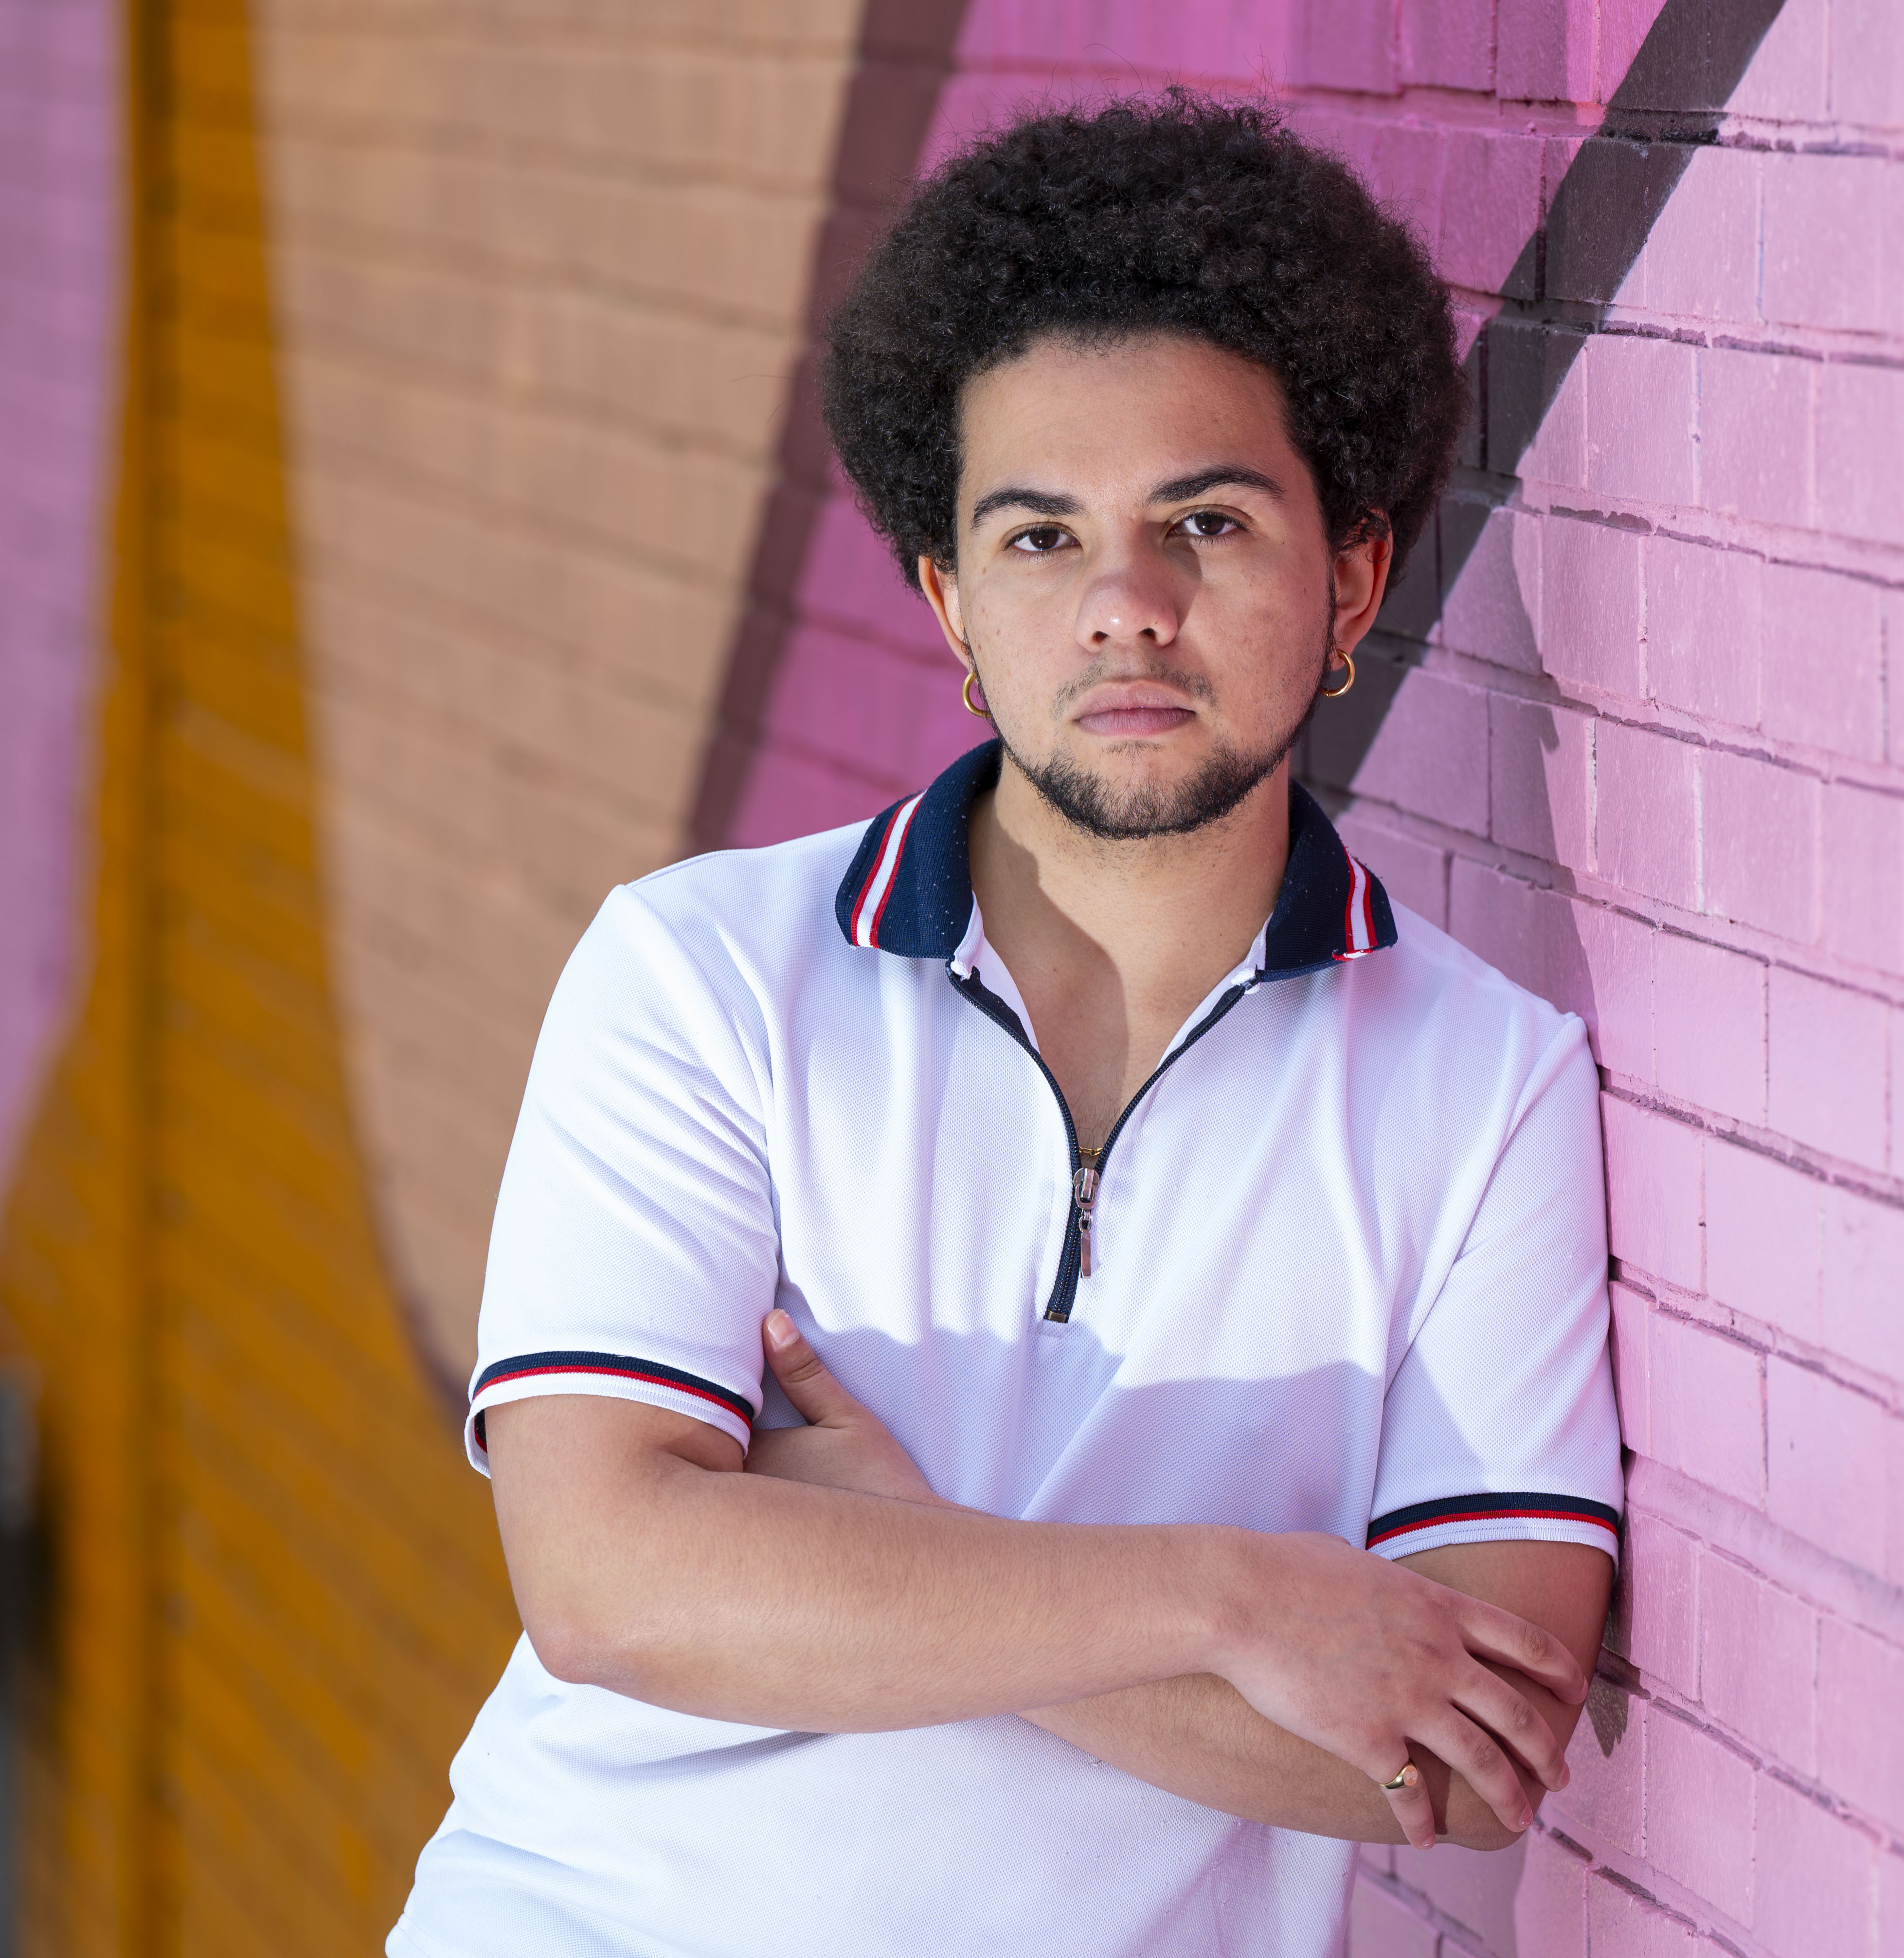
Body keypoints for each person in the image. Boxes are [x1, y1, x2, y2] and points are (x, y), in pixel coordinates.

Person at [388, 93, 1622, 1958]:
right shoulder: (701, 975)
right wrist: (1229, 1602)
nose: (1128, 607)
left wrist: (898, 1543)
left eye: (1206, 521)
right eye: (1042, 538)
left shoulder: (1489, 1088)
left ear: (1351, 580)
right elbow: (612, 1587)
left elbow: (1462, 1755)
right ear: (954, 608)